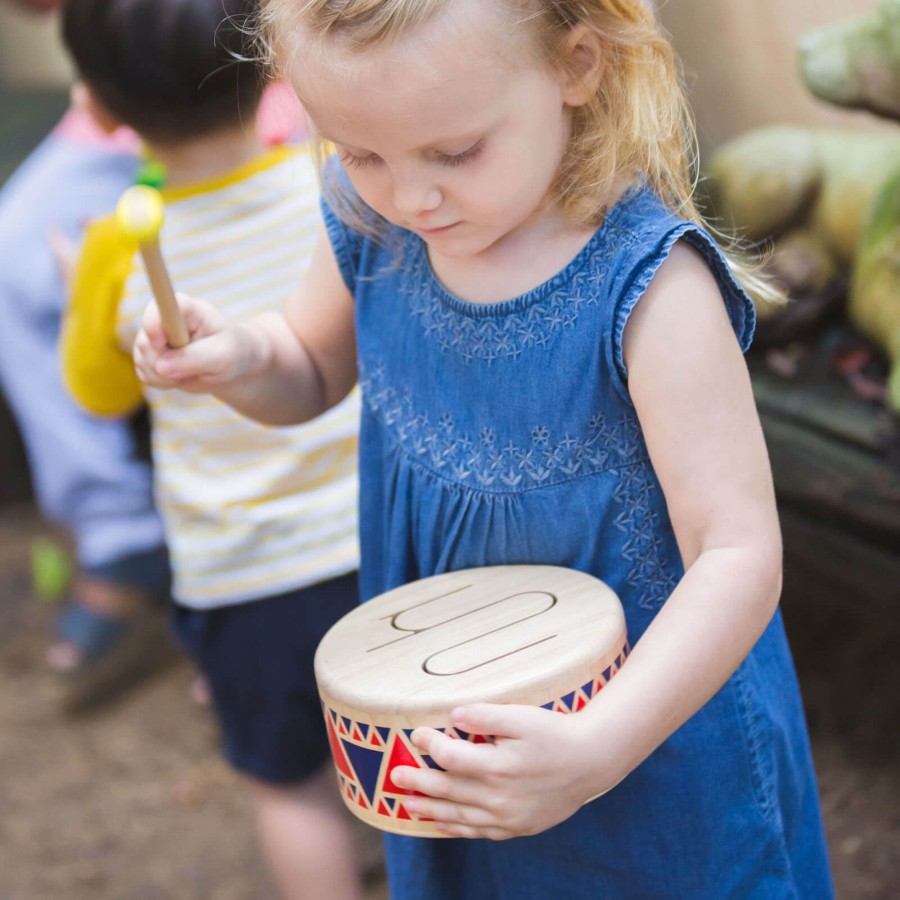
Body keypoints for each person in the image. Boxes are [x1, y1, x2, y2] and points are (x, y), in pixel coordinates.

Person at [132, 1, 835, 898]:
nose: (409, 194)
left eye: (455, 153)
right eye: (358, 151)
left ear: (577, 64)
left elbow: (737, 554)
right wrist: (238, 357)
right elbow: (307, 366)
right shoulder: (376, 222)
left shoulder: (653, 289)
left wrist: (598, 747)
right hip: (454, 731)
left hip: (655, 750)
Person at [58, 0, 365, 896]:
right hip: (377, 537)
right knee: (418, 745)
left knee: (290, 785)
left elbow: (100, 393)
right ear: (274, 67)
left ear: (103, 111)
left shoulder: (119, 249)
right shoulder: (337, 185)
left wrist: (78, 285)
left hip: (244, 572)